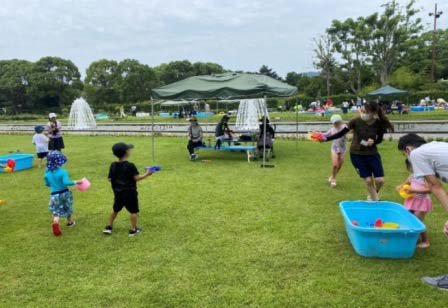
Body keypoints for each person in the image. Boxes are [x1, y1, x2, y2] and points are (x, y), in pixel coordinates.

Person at [397, 133, 448, 290]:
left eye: (404, 154)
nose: (407, 157)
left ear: (408, 149)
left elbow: (434, 186)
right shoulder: (435, 146)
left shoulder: (417, 154)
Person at [323, 101, 394, 201]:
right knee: (368, 181)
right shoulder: (355, 121)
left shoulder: (379, 123)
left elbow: (380, 139)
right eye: (362, 111)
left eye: (366, 112)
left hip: (372, 153)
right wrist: (326, 139)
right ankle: (374, 200)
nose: (363, 114)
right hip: (357, 154)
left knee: (380, 180)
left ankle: (373, 193)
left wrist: (373, 141)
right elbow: (341, 133)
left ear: (373, 113)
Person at [103, 143, 154, 236]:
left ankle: (108, 226)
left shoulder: (113, 165)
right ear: (126, 152)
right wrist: (148, 173)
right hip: (130, 193)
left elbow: (109, 179)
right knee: (133, 211)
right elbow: (137, 178)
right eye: (129, 149)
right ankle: (133, 230)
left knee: (115, 209)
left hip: (118, 193)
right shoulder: (130, 165)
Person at [44, 151, 82, 236]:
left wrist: (53, 183)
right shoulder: (63, 172)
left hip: (54, 195)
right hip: (65, 193)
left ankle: (55, 222)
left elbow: (47, 184)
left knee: (56, 211)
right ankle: (69, 222)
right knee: (68, 207)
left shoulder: (47, 174)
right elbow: (66, 182)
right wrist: (76, 181)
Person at [396, 159, 432, 248]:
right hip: (411, 200)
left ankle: (425, 241)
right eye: (410, 167)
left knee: (418, 221)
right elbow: (406, 183)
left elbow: (429, 190)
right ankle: (416, 238)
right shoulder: (412, 176)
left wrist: (413, 190)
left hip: (422, 202)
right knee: (409, 219)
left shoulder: (425, 177)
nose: (412, 169)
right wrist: (400, 186)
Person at [326, 114, 347, 188]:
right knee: (335, 165)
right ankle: (333, 179)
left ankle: (332, 176)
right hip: (334, 148)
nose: (335, 124)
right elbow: (325, 135)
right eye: (334, 122)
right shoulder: (331, 129)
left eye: (337, 122)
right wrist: (317, 136)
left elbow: (353, 132)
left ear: (340, 121)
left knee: (339, 165)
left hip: (343, 148)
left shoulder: (345, 128)